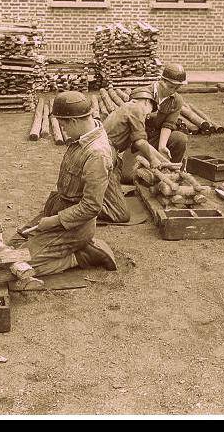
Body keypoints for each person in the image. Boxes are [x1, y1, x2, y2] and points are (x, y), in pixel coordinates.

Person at [16, 91, 117, 276]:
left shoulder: (97, 154)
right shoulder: (83, 136)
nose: (63, 130)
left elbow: (92, 206)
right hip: (58, 209)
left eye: (63, 125)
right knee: (11, 248)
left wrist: (54, 221)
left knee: (16, 265)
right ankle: (71, 249)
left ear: (75, 121)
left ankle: (81, 256)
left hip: (75, 226)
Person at [99, 86, 163, 223]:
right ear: (147, 102)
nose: (147, 116)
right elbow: (140, 142)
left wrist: (159, 157)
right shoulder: (137, 108)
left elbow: (139, 143)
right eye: (150, 111)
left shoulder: (125, 107)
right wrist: (153, 160)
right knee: (121, 213)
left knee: (113, 185)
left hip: (104, 151)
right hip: (105, 153)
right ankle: (89, 209)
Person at [146, 63, 189, 163]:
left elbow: (168, 124)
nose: (173, 91)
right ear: (162, 81)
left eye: (177, 88)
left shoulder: (177, 100)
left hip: (157, 137)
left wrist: (162, 147)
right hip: (138, 139)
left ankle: (172, 171)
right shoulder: (145, 93)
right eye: (170, 87)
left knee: (180, 139)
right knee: (128, 176)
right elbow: (134, 126)